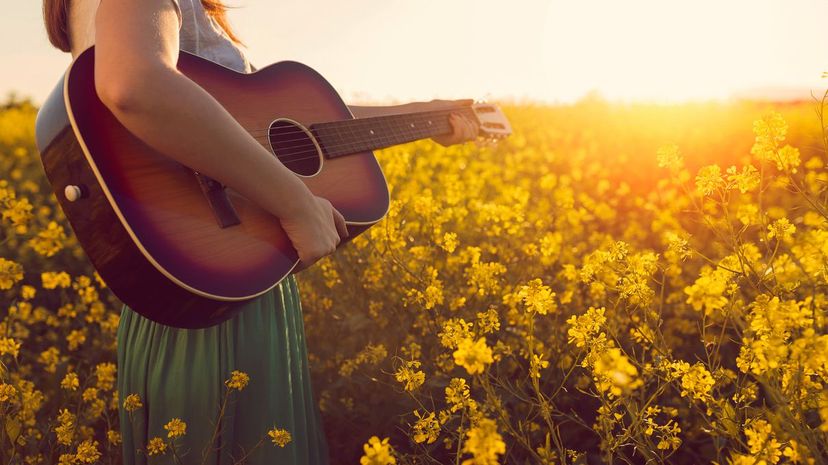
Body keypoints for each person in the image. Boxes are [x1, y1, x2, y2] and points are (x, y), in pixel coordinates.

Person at [42, 0, 479, 463]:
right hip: (214, 283)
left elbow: (289, 122)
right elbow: (135, 84)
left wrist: (425, 115)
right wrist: (296, 204)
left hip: (205, 275)